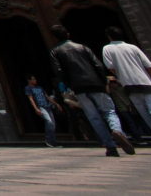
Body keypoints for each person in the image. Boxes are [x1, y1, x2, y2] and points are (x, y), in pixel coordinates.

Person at [48, 24, 132, 156]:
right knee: (109, 111)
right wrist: (104, 82)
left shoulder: (56, 51)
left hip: (78, 87)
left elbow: (59, 71)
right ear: (68, 34)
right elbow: (97, 65)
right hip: (96, 84)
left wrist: (70, 84)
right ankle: (117, 131)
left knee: (93, 117)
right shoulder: (82, 47)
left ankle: (110, 146)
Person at [102, 26, 151, 153]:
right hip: (145, 83)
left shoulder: (107, 48)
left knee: (146, 114)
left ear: (109, 36)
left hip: (128, 86)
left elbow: (111, 68)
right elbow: (149, 66)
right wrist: (145, 77)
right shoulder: (133, 47)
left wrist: (123, 78)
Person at [24, 74, 62, 148]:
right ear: (29, 80)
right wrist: (36, 108)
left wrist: (56, 104)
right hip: (40, 106)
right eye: (33, 79)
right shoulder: (28, 88)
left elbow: (47, 97)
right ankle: (49, 140)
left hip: (47, 106)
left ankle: (53, 141)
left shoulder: (40, 88)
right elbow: (31, 99)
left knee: (53, 124)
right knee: (49, 122)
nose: (35, 80)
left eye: (35, 79)